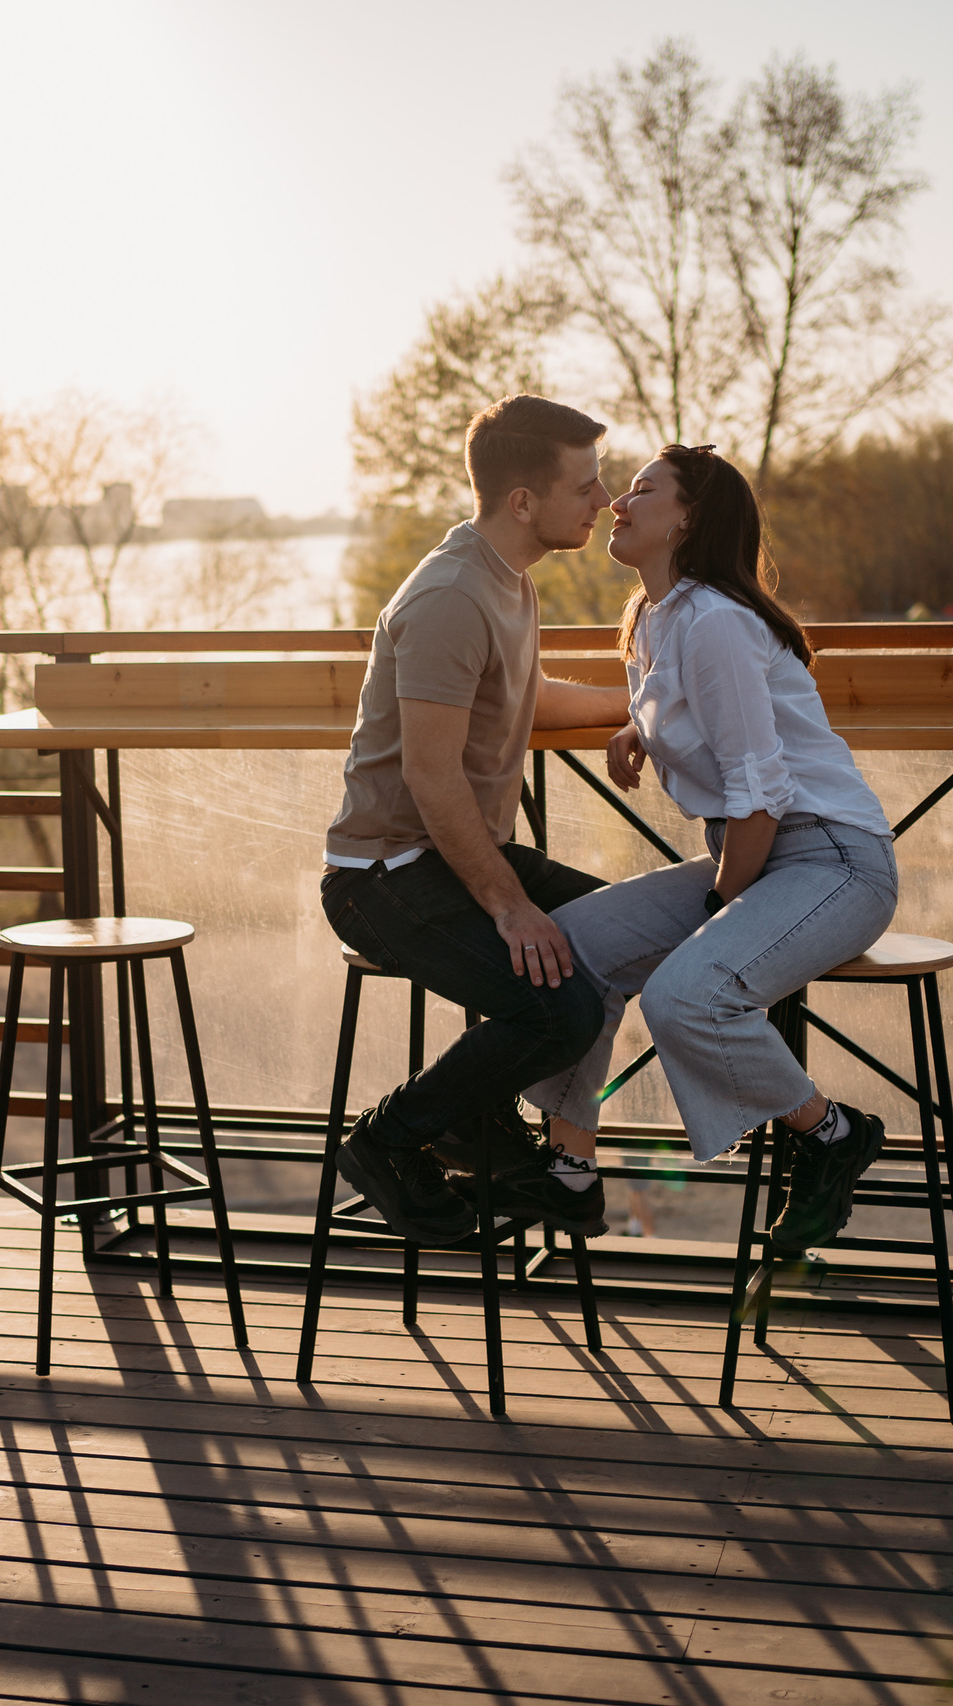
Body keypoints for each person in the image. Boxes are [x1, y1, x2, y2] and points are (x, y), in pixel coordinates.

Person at [522, 444, 901, 1256]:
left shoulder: (717, 620)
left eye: (641, 490)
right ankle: (568, 1165)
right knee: (575, 947)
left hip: (832, 861)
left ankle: (831, 1134)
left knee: (685, 993)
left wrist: (723, 904)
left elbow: (759, 793)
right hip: (763, 853)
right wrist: (634, 728)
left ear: (687, 518)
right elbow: (701, 713)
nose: (617, 502)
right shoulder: (660, 619)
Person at [321, 394, 632, 1242]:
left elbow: (525, 702)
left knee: (622, 935)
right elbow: (429, 777)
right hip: (381, 878)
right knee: (562, 1010)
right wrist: (510, 904)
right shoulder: (453, 596)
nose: (603, 499)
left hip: (451, 855)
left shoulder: (510, 582)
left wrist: (642, 706)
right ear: (522, 501)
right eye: (585, 484)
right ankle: (390, 1140)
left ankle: (475, 1122)